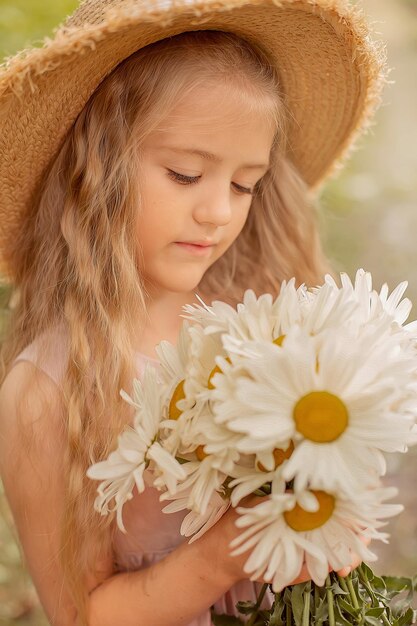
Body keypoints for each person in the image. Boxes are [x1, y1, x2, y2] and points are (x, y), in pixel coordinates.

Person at [0, 0, 387, 624]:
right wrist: (225, 554)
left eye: (243, 185)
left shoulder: (258, 317)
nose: (218, 213)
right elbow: (82, 615)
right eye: (185, 175)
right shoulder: (50, 390)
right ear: (91, 169)